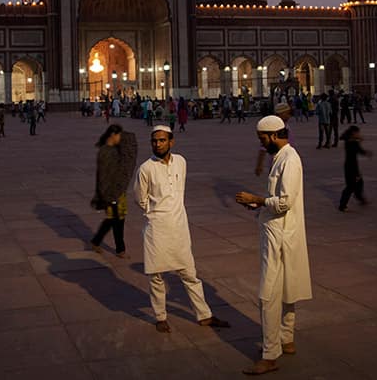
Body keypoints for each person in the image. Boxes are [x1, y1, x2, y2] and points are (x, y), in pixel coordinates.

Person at [130, 126, 230, 333]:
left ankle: (204, 315)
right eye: (154, 141)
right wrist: (155, 212)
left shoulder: (181, 162)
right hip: (156, 228)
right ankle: (160, 316)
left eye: (162, 140)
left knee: (189, 273)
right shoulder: (146, 168)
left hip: (179, 227)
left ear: (171, 142)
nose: (158, 144)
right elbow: (140, 198)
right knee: (156, 276)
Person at [235, 116, 312, 376]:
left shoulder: (289, 160)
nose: (261, 144)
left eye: (262, 139)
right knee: (288, 287)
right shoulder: (281, 157)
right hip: (280, 232)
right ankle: (286, 339)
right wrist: (258, 204)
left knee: (267, 295)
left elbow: (284, 202)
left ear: (274, 135)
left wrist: (256, 197)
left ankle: (270, 355)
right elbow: (276, 200)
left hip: (279, 236)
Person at [90, 125, 137, 257]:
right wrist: (105, 194)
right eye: (119, 136)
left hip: (116, 190)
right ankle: (120, 249)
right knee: (115, 219)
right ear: (113, 134)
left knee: (116, 218)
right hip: (109, 191)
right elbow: (103, 175)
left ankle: (97, 241)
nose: (120, 139)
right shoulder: (105, 151)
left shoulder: (114, 150)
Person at [338, 125, 371, 211]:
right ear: (353, 133)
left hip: (349, 166)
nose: (359, 134)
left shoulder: (348, 140)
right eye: (357, 133)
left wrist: (358, 140)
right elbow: (360, 150)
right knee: (350, 186)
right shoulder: (353, 143)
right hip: (352, 167)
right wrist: (367, 152)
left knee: (359, 183)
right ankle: (342, 205)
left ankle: (360, 198)